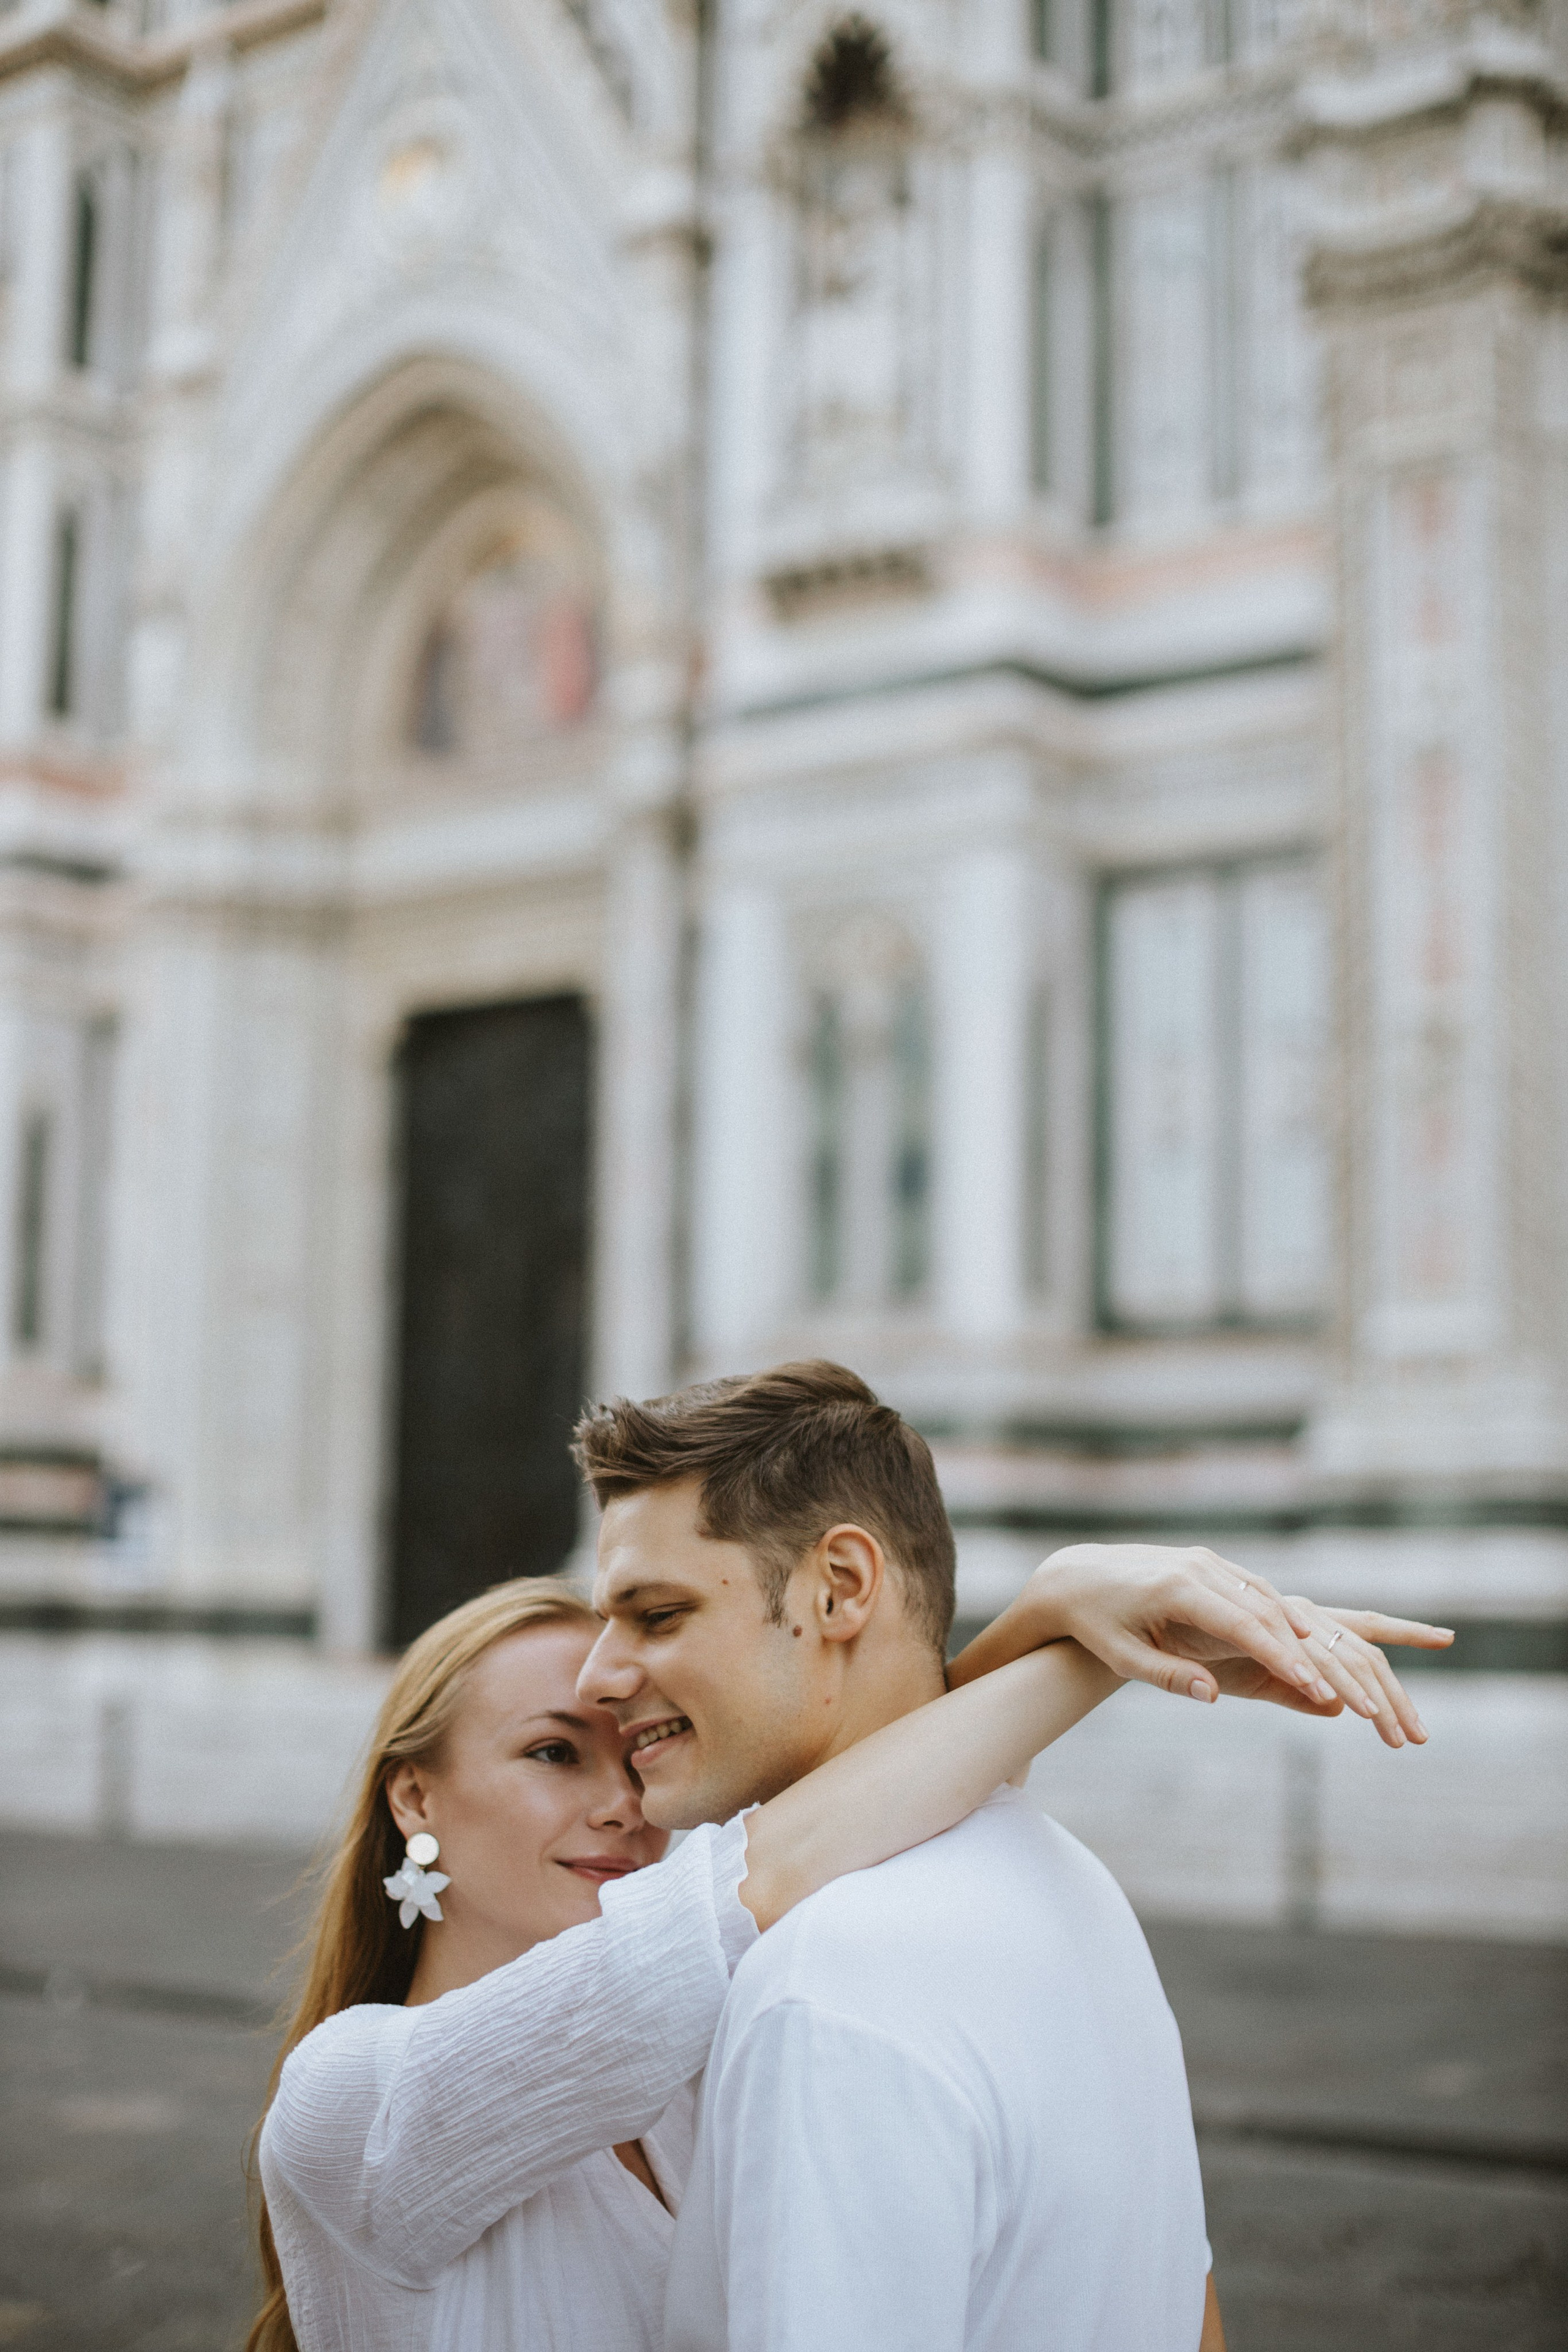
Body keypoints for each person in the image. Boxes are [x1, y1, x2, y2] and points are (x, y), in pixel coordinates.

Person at [572, 1361, 1450, 2352]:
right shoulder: (1069, 1882)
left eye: (657, 1615)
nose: (597, 1675)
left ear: (841, 1588)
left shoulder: (824, 1985)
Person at [249, 1556, 1319, 2352]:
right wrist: (1079, 1646)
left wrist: (1056, 1608)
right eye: (553, 1753)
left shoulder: (697, 2052)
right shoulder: (346, 2102)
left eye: (639, 1753)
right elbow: (777, 1862)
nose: (623, 1806)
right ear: (415, 1795)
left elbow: (860, 1795)